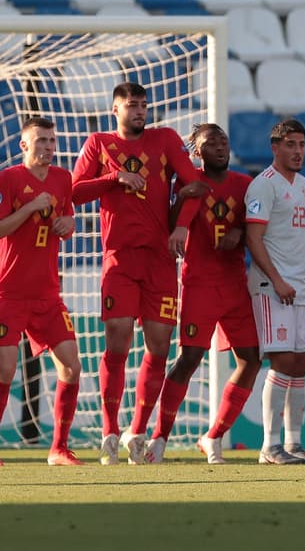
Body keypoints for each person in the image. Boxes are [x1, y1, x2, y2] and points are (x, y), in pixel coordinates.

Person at [72, 82, 204, 465]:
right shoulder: (98, 144)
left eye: (144, 104)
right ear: (115, 109)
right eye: (132, 105)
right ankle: (109, 431)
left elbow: (193, 185)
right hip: (120, 259)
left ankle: (138, 431)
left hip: (160, 260)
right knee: (117, 342)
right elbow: (74, 192)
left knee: (159, 346)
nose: (140, 111)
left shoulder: (165, 139)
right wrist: (113, 179)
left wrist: (181, 227)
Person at [143, 124, 262, 464]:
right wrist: (181, 197)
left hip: (235, 284)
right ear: (197, 152)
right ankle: (159, 437)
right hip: (199, 284)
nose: (221, 147)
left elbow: (258, 226)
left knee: (251, 359)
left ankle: (213, 436)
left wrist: (240, 231)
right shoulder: (188, 181)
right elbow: (169, 226)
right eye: (211, 143)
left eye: (224, 141)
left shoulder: (245, 184)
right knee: (190, 358)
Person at [0, 117, 84, 466]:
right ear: (24, 145)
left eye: (52, 140)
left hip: (48, 294)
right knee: (5, 371)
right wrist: (30, 208)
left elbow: (67, 219)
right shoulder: (8, 179)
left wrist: (69, 225)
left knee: (72, 366)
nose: (49, 147)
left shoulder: (63, 178)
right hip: (7, 293)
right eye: (41, 141)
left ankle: (59, 449)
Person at [245, 118, 305, 465]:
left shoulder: (304, 185)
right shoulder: (263, 185)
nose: (298, 151)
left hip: (300, 288)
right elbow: (253, 238)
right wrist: (276, 279)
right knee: (283, 361)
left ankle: (294, 443)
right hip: (271, 287)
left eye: (302, 144)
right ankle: (269, 446)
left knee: (300, 363)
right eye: (291, 144)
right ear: (275, 148)